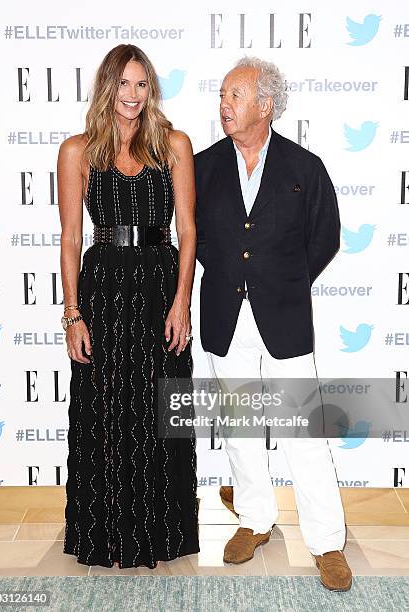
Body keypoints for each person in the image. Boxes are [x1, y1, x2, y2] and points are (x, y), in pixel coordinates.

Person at [194, 56, 352, 591]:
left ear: (266, 105)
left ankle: (327, 542)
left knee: (303, 434)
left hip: (283, 319)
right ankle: (255, 521)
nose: (224, 106)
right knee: (240, 428)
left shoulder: (305, 169)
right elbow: (195, 238)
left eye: (233, 97)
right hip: (223, 316)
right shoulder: (201, 166)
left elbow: (325, 237)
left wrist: (282, 280)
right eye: (221, 96)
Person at [58, 44, 199, 569]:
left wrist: (183, 299)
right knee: (105, 410)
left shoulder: (175, 146)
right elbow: (72, 237)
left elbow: (188, 229)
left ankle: (163, 535)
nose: (133, 96)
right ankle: (106, 535)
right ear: (106, 87)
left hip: (161, 286)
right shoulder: (78, 151)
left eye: (142, 85)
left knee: (162, 409)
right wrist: (72, 313)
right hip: (104, 290)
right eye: (123, 85)